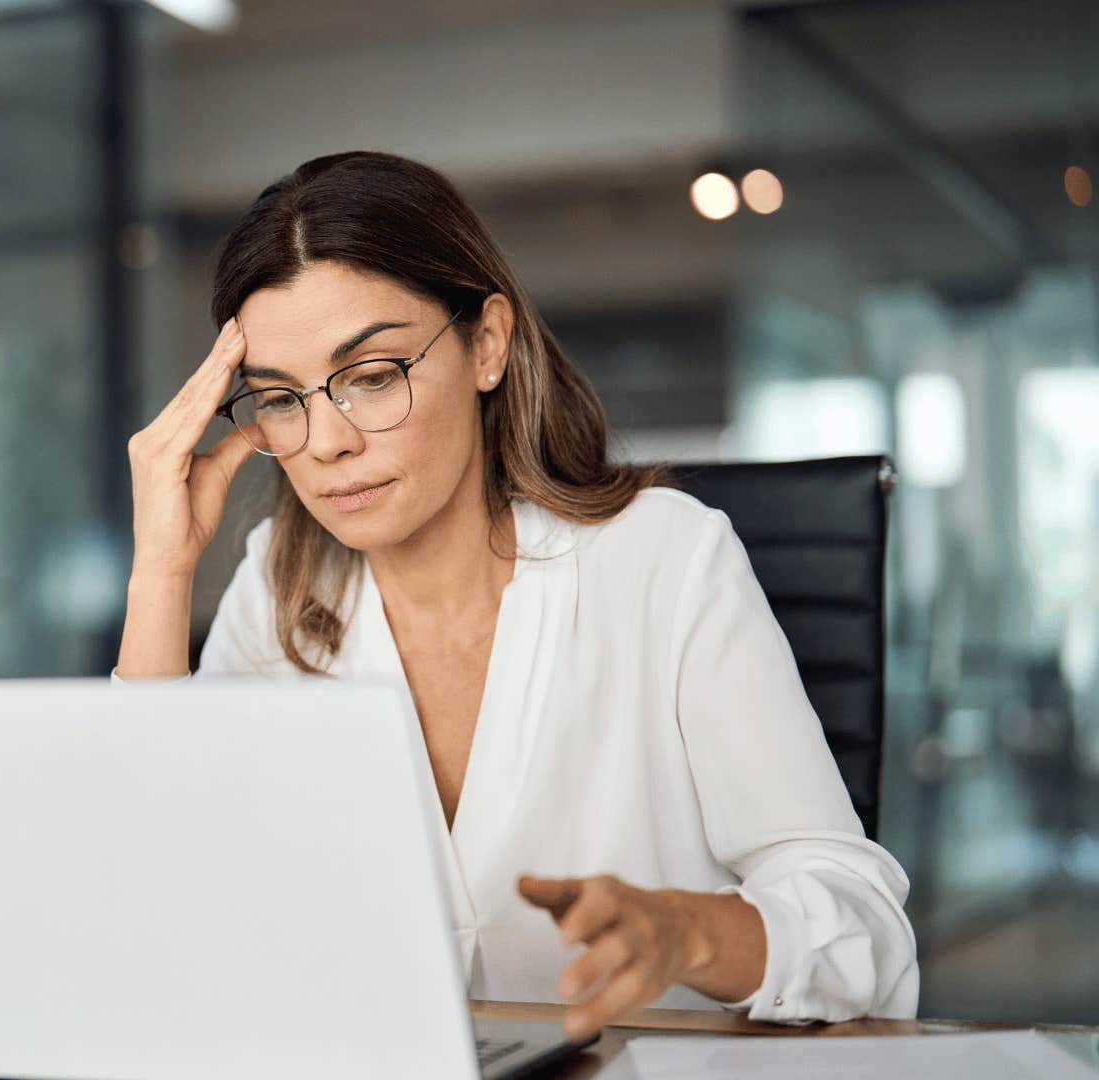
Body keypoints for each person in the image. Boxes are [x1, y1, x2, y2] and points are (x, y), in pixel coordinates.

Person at [112, 150, 917, 1041]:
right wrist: (160, 571)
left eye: (372, 376)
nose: (326, 442)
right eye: (280, 398)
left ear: (486, 343)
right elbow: (160, 915)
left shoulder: (662, 559)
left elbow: (865, 924)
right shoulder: (278, 586)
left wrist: (685, 931)